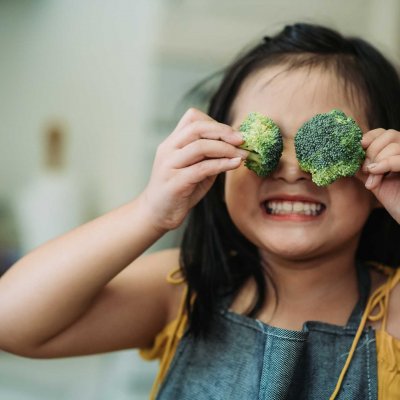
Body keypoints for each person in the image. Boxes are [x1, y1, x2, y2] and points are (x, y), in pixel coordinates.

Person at [1, 23, 400, 399]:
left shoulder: (394, 309)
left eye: (321, 145)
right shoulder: (183, 287)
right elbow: (11, 320)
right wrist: (148, 212)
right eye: (265, 144)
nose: (293, 170)